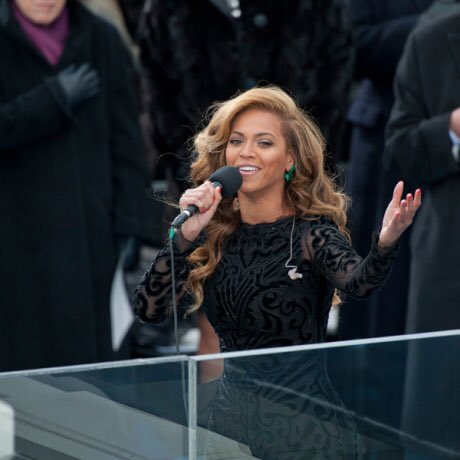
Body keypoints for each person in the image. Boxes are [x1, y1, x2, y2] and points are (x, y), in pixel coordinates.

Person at [133, 86, 421, 458]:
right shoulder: (216, 235)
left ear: (290, 161)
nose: (246, 152)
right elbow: (149, 310)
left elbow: (359, 284)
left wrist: (386, 240)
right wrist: (185, 236)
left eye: (264, 142)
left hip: (306, 434)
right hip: (228, 434)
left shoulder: (312, 234)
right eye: (237, 141)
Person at [0, 0, 155, 372]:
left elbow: (127, 141)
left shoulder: (101, 39)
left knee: (92, 373)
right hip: (14, 242)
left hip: (90, 237)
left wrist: (133, 222)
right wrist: (49, 101)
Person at [343, 0, 433, 341]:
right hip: (383, 138)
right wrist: (436, 23)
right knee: (381, 277)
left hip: (445, 136)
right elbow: (351, 46)